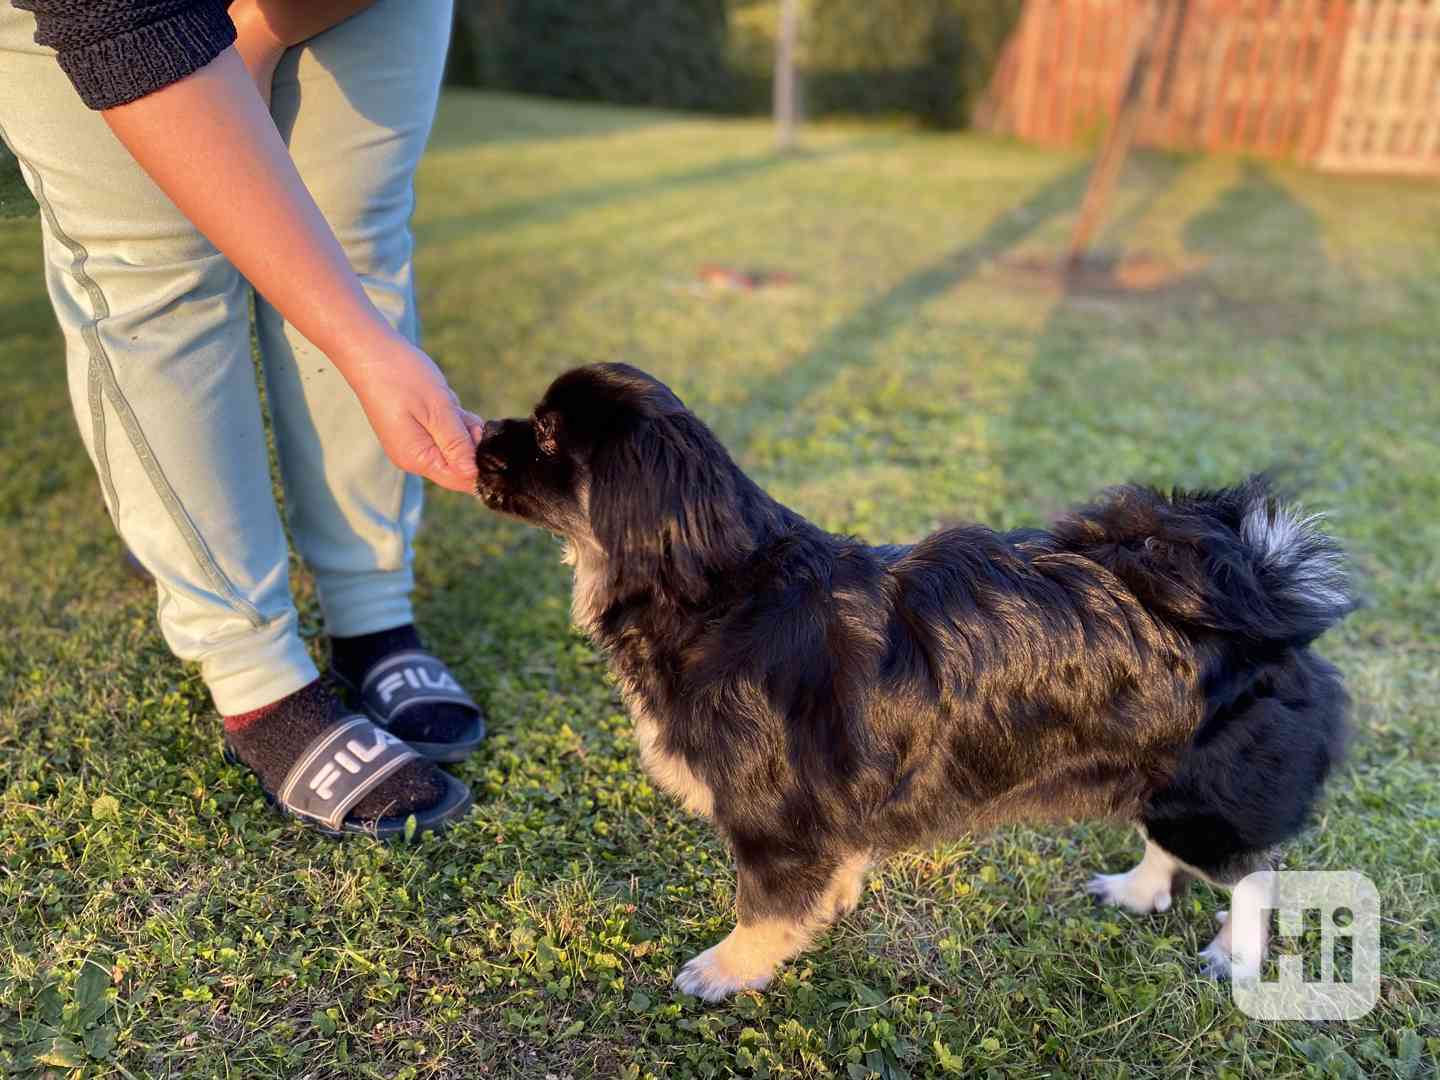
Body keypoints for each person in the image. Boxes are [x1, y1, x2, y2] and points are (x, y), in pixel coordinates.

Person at [1, 0, 486, 837]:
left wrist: (258, 33)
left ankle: (371, 607)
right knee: (154, 277)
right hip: (117, 15)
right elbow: (127, 27)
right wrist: (362, 348)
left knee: (353, 239)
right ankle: (257, 673)